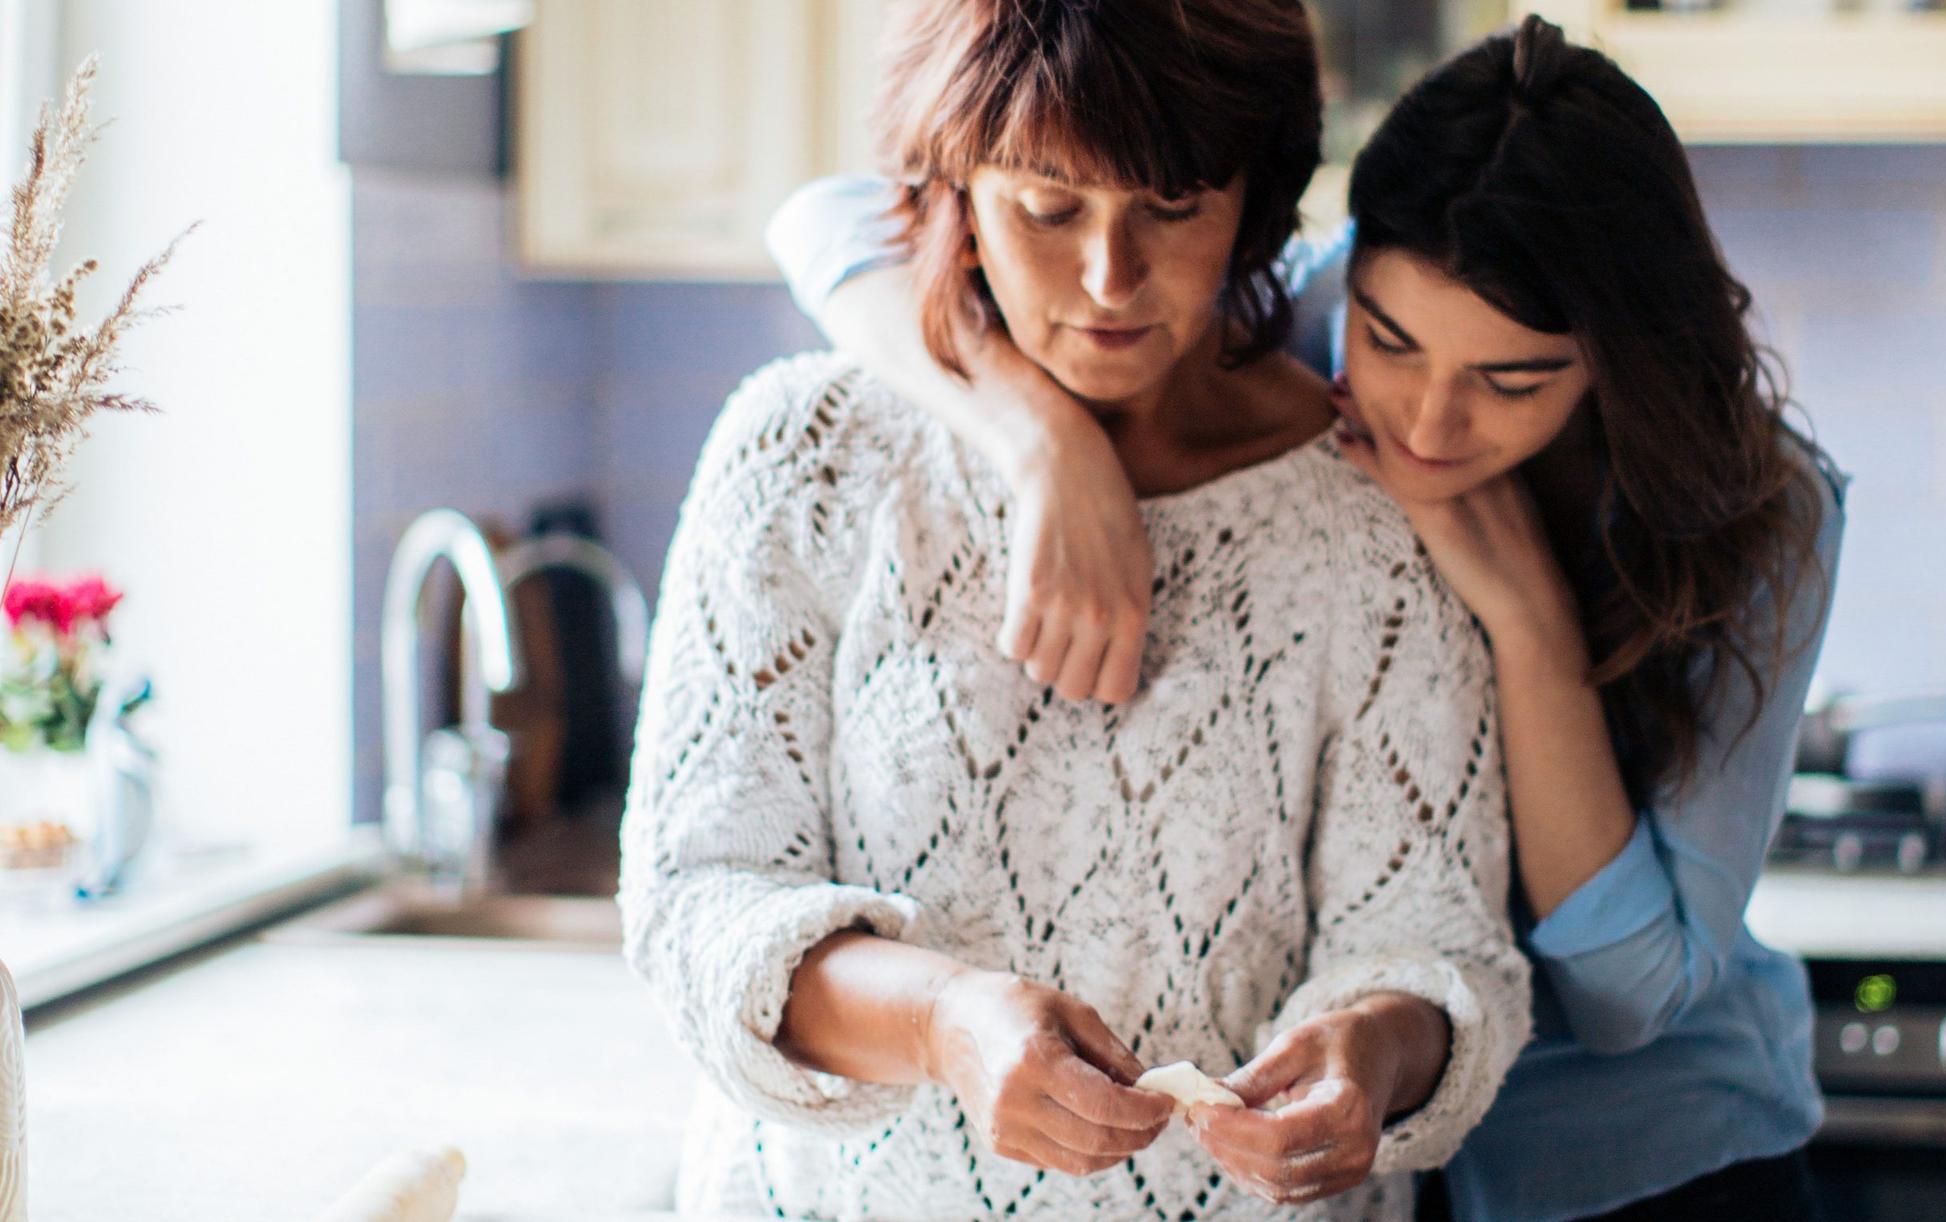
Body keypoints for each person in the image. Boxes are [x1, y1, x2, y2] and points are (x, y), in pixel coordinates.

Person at [765, 15, 1846, 1222]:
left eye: (1514, 379)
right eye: (1388, 344)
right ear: (1349, 274)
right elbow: (833, 221)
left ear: (1611, 360)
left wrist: (1529, 628)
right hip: (1378, 1174)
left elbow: (1625, 997)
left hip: (1634, 1161)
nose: (1430, 423)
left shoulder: (1762, 507)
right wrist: (1038, 441)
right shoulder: (1297, 312)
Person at [619, 1, 1530, 1219]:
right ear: (955, 186)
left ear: (1252, 198)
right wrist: (944, 1022)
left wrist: (1371, 1048)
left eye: (1173, 206)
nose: (1109, 278)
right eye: (1048, 208)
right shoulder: (805, 456)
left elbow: (1439, 940)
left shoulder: (1367, 512)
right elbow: (695, 900)